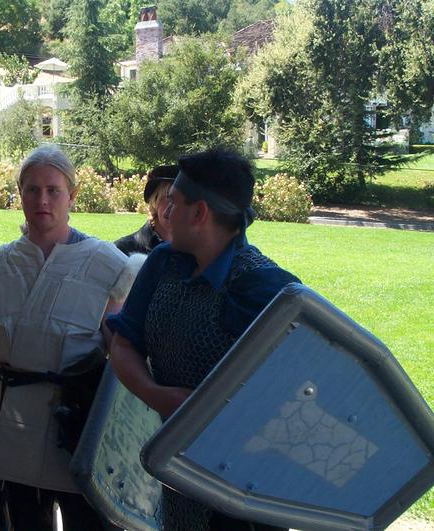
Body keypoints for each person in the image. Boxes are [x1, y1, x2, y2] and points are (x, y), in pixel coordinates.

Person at [106, 148, 300, 531]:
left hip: (244, 486)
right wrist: (155, 394)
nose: (165, 212)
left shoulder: (265, 289)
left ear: (199, 213)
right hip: (177, 464)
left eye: (174, 202)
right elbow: (123, 344)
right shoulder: (162, 264)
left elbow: (296, 393)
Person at [0, 144, 142, 531]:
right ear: (19, 194)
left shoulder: (108, 267)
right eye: (32, 190)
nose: (42, 200)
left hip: (78, 432)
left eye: (53, 190)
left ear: (72, 195)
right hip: (9, 436)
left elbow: (121, 358)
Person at [114, 165, 178, 256]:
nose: (178, 208)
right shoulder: (123, 251)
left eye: (188, 201)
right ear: (155, 200)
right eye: (170, 198)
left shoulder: (194, 251)